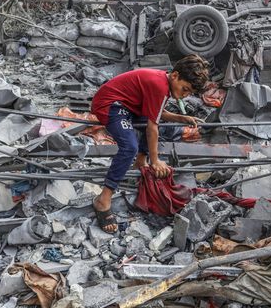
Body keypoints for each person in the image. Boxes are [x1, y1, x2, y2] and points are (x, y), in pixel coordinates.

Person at [90, 55, 210, 233]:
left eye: (189, 93)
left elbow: (156, 111)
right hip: (111, 105)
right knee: (129, 147)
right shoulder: (159, 84)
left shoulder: (164, 82)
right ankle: (103, 199)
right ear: (175, 75)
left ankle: (140, 162)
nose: (185, 95)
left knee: (151, 124)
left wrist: (180, 118)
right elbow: (152, 126)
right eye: (185, 89)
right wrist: (155, 160)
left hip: (128, 106)